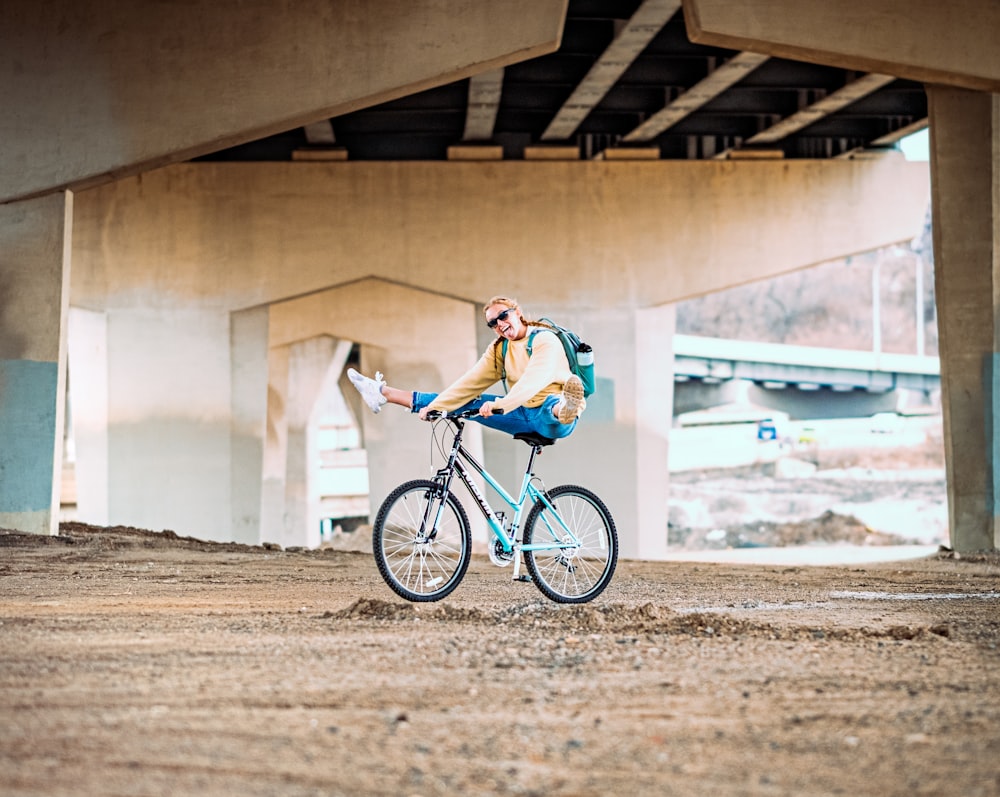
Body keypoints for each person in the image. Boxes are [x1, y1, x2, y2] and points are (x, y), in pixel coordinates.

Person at [347, 296, 585, 440]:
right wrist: (436, 407)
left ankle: (565, 408)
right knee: (472, 401)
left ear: (518, 313)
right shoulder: (500, 349)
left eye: (503, 316)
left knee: (549, 407)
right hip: (521, 412)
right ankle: (383, 393)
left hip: (552, 416)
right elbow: (468, 384)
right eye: (493, 323)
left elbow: (532, 381)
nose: (500, 324)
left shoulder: (544, 340)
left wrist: (500, 405)